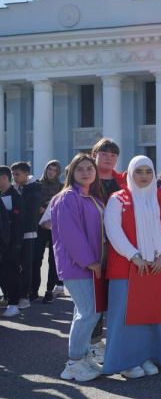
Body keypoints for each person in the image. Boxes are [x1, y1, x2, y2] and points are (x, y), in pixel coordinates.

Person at [104, 156, 161, 378]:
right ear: (130, 174)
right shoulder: (117, 199)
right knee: (125, 316)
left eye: (148, 171)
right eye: (139, 172)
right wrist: (133, 256)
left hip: (154, 267)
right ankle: (126, 363)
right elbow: (113, 230)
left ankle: (146, 357)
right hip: (127, 268)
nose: (144, 176)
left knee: (149, 314)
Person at [51, 154, 105, 381]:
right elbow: (71, 234)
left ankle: (82, 357)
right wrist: (89, 261)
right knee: (89, 312)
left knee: (83, 312)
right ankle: (73, 363)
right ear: (71, 172)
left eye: (89, 168)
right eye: (80, 169)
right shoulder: (67, 198)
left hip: (91, 265)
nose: (86, 172)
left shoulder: (91, 197)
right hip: (78, 266)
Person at [88, 137, 125, 361]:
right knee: (93, 297)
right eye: (105, 154)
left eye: (113, 155)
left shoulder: (122, 180)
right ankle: (93, 343)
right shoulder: (87, 179)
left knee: (115, 295)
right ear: (95, 155)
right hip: (94, 246)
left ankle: (115, 340)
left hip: (118, 246)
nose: (109, 158)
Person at [11, 162, 42, 306]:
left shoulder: (34, 187)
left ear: (25, 174)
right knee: (15, 264)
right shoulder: (15, 188)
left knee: (27, 265)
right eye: (12, 174)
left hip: (29, 231)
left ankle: (25, 296)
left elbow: (27, 209)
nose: (14, 177)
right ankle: (14, 294)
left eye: (17, 174)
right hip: (15, 232)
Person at [33, 160, 63, 303]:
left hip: (54, 227)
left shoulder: (62, 187)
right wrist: (38, 208)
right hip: (38, 227)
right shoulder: (37, 185)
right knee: (36, 259)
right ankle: (33, 290)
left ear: (58, 172)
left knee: (53, 260)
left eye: (55, 170)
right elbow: (30, 203)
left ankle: (49, 290)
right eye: (49, 169)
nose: (51, 172)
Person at [0, 166, 24, 318]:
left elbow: (18, 222)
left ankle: (14, 304)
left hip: (11, 242)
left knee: (11, 272)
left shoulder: (15, 195)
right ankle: (8, 298)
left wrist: (14, 243)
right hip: (3, 242)